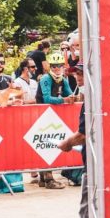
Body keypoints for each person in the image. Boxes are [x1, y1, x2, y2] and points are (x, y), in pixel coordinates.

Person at [58, 101, 89, 218]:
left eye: (79, 72)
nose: (76, 76)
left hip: (95, 166)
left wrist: (68, 143)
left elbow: (84, 134)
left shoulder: (94, 96)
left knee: (88, 212)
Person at [37, 52, 74, 190]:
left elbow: (69, 93)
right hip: (40, 115)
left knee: (49, 144)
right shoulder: (46, 78)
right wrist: (64, 100)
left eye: (59, 66)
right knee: (45, 144)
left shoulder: (62, 79)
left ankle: (44, 178)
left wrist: (72, 98)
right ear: (50, 67)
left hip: (52, 116)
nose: (57, 69)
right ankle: (48, 178)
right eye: (54, 66)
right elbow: (46, 98)